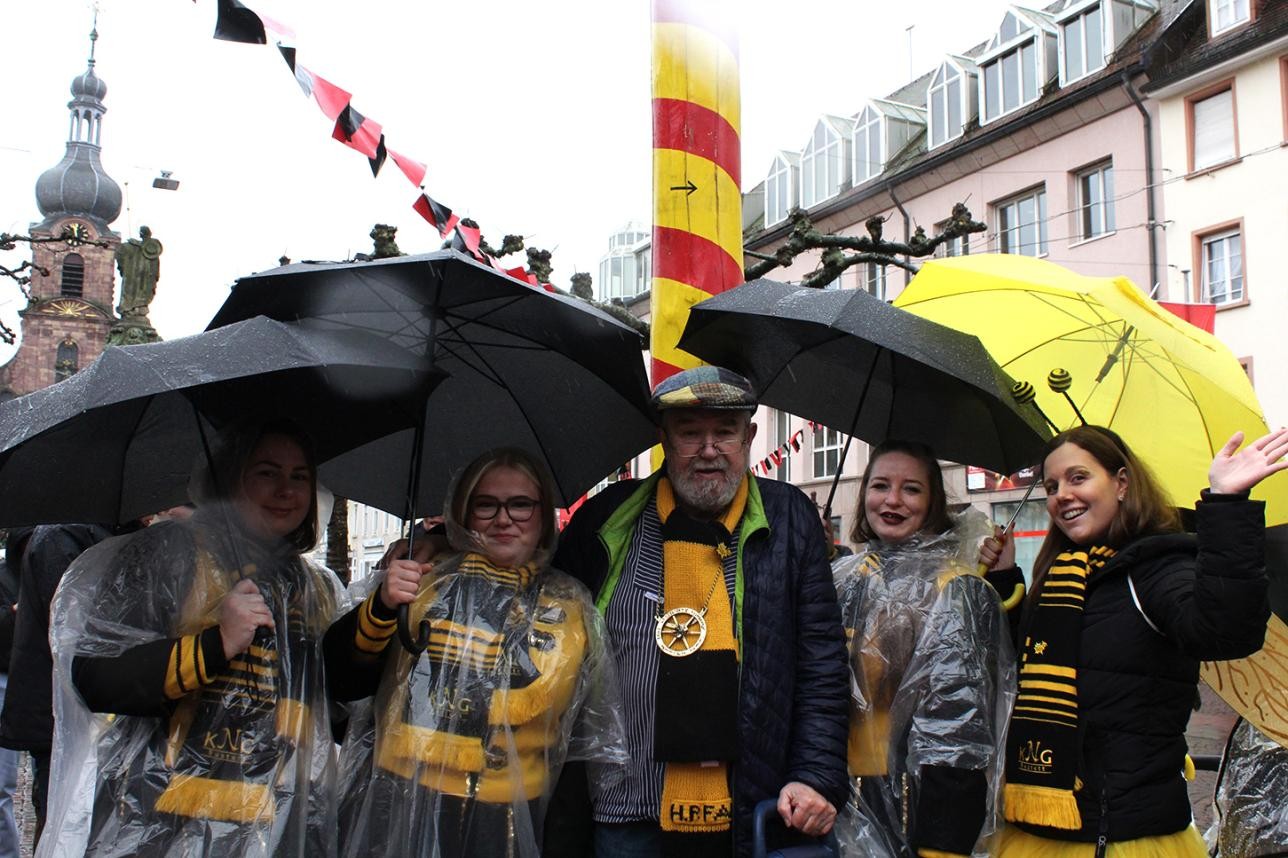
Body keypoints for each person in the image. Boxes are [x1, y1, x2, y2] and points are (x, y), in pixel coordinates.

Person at [544, 366, 850, 858]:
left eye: (725, 432)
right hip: (623, 809)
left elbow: (822, 664)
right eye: (690, 433)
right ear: (663, 439)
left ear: (749, 436)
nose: (709, 450)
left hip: (748, 808)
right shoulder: (606, 520)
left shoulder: (790, 518)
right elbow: (546, 620)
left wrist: (815, 776)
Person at [39, 420, 347, 858]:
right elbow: (95, 676)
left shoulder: (312, 585)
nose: (287, 490)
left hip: (279, 822)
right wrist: (215, 644)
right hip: (161, 820)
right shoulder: (167, 554)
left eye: (300, 476)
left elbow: (331, 704)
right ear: (228, 478)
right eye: (266, 472)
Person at [996, 425, 1287, 858]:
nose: (1061, 495)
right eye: (1052, 485)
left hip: (1122, 839)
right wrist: (1004, 574)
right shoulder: (1060, 575)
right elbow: (1033, 660)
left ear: (1121, 483)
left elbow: (1226, 632)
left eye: (1078, 477)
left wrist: (1226, 504)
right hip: (1037, 829)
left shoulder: (1158, 569)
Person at [326, 447, 626, 858]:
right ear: (464, 513)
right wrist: (381, 607)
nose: (503, 518)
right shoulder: (420, 583)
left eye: (520, 505)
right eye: (486, 505)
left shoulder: (574, 608)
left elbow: (580, 747)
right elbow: (341, 683)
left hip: (509, 821)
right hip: (396, 806)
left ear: (543, 517)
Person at [832, 439, 1016, 858]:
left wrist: (942, 845)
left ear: (933, 501)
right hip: (839, 807)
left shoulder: (956, 589)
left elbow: (958, 733)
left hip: (920, 812)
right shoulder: (845, 579)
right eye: (880, 485)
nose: (892, 500)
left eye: (911, 489)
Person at [0, 521, 122, 846]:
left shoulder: (93, 532)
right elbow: (78, 634)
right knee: (64, 822)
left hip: (78, 713)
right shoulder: (59, 538)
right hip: (63, 716)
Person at [0, 527, 32, 858]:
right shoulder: (5, 578)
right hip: (5, 679)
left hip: (40, 683)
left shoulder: (58, 570)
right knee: (1, 785)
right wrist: (13, 616)